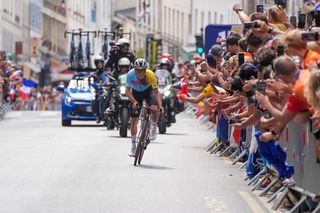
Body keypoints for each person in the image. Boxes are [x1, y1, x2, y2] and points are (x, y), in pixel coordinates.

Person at [125, 58, 163, 157]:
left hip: (148, 92)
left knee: (154, 108)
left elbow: (156, 92)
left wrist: (160, 106)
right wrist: (134, 101)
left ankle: (153, 125)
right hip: (136, 94)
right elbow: (127, 91)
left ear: (146, 69)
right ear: (135, 70)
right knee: (133, 121)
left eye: (142, 71)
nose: (141, 73)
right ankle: (133, 146)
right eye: (138, 71)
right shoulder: (130, 74)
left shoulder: (150, 74)